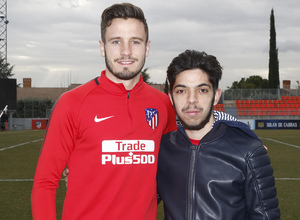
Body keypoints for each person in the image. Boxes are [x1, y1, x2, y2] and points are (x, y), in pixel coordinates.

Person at [31, 3, 177, 220]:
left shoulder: (162, 104)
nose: (126, 51)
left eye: (135, 42)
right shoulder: (72, 103)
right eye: (116, 41)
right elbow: (45, 183)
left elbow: (173, 166)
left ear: (147, 47)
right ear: (102, 47)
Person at [157, 50, 281, 220]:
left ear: (215, 96)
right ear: (171, 97)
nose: (191, 99)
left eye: (202, 90)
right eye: (181, 91)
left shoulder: (250, 153)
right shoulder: (161, 149)